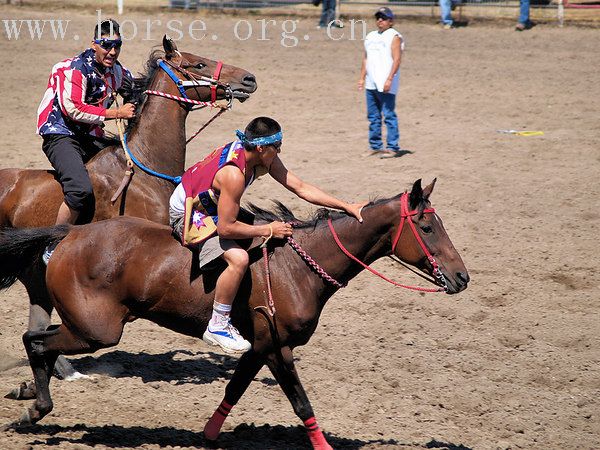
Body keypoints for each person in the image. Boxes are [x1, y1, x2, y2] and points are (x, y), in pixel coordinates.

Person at [169, 117, 367, 354]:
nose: (280, 150)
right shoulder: (234, 175)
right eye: (277, 146)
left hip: (210, 203)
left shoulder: (258, 155)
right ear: (262, 148)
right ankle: (218, 324)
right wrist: (268, 230)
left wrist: (347, 207)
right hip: (189, 214)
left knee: (261, 226)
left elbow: (300, 187)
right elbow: (226, 228)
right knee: (239, 259)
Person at [37, 19, 135, 263]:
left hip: (89, 135)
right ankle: (52, 244)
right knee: (79, 189)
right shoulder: (75, 69)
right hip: (60, 133)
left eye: (117, 46)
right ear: (94, 44)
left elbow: (138, 90)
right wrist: (116, 113)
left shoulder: (118, 72)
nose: (112, 51)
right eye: (106, 45)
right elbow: (74, 110)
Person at [358, 7, 404, 156]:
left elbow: (397, 59)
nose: (380, 20)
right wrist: (362, 77)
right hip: (371, 83)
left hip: (386, 83)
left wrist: (390, 79)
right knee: (373, 116)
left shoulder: (394, 36)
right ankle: (376, 145)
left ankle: (392, 147)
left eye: (383, 18)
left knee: (388, 115)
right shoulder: (371, 36)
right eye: (378, 18)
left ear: (391, 21)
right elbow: (366, 58)